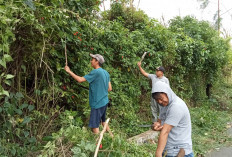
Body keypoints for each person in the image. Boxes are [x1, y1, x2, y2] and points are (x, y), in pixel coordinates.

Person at [64, 54, 112, 135]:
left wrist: (69, 71)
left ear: (97, 61)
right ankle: (112, 138)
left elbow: (80, 80)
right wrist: (100, 90)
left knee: (94, 126)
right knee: (103, 121)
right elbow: (109, 88)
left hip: (97, 103)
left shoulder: (95, 72)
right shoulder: (106, 73)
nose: (91, 61)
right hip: (104, 101)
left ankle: (99, 145)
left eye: (92, 59)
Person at [151, 81, 193, 157]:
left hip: (179, 151)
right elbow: (160, 122)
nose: (160, 102)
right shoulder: (165, 105)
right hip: (169, 150)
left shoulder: (176, 106)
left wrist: (158, 154)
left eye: (161, 98)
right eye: (157, 100)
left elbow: (165, 131)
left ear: (167, 93)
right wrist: (157, 125)